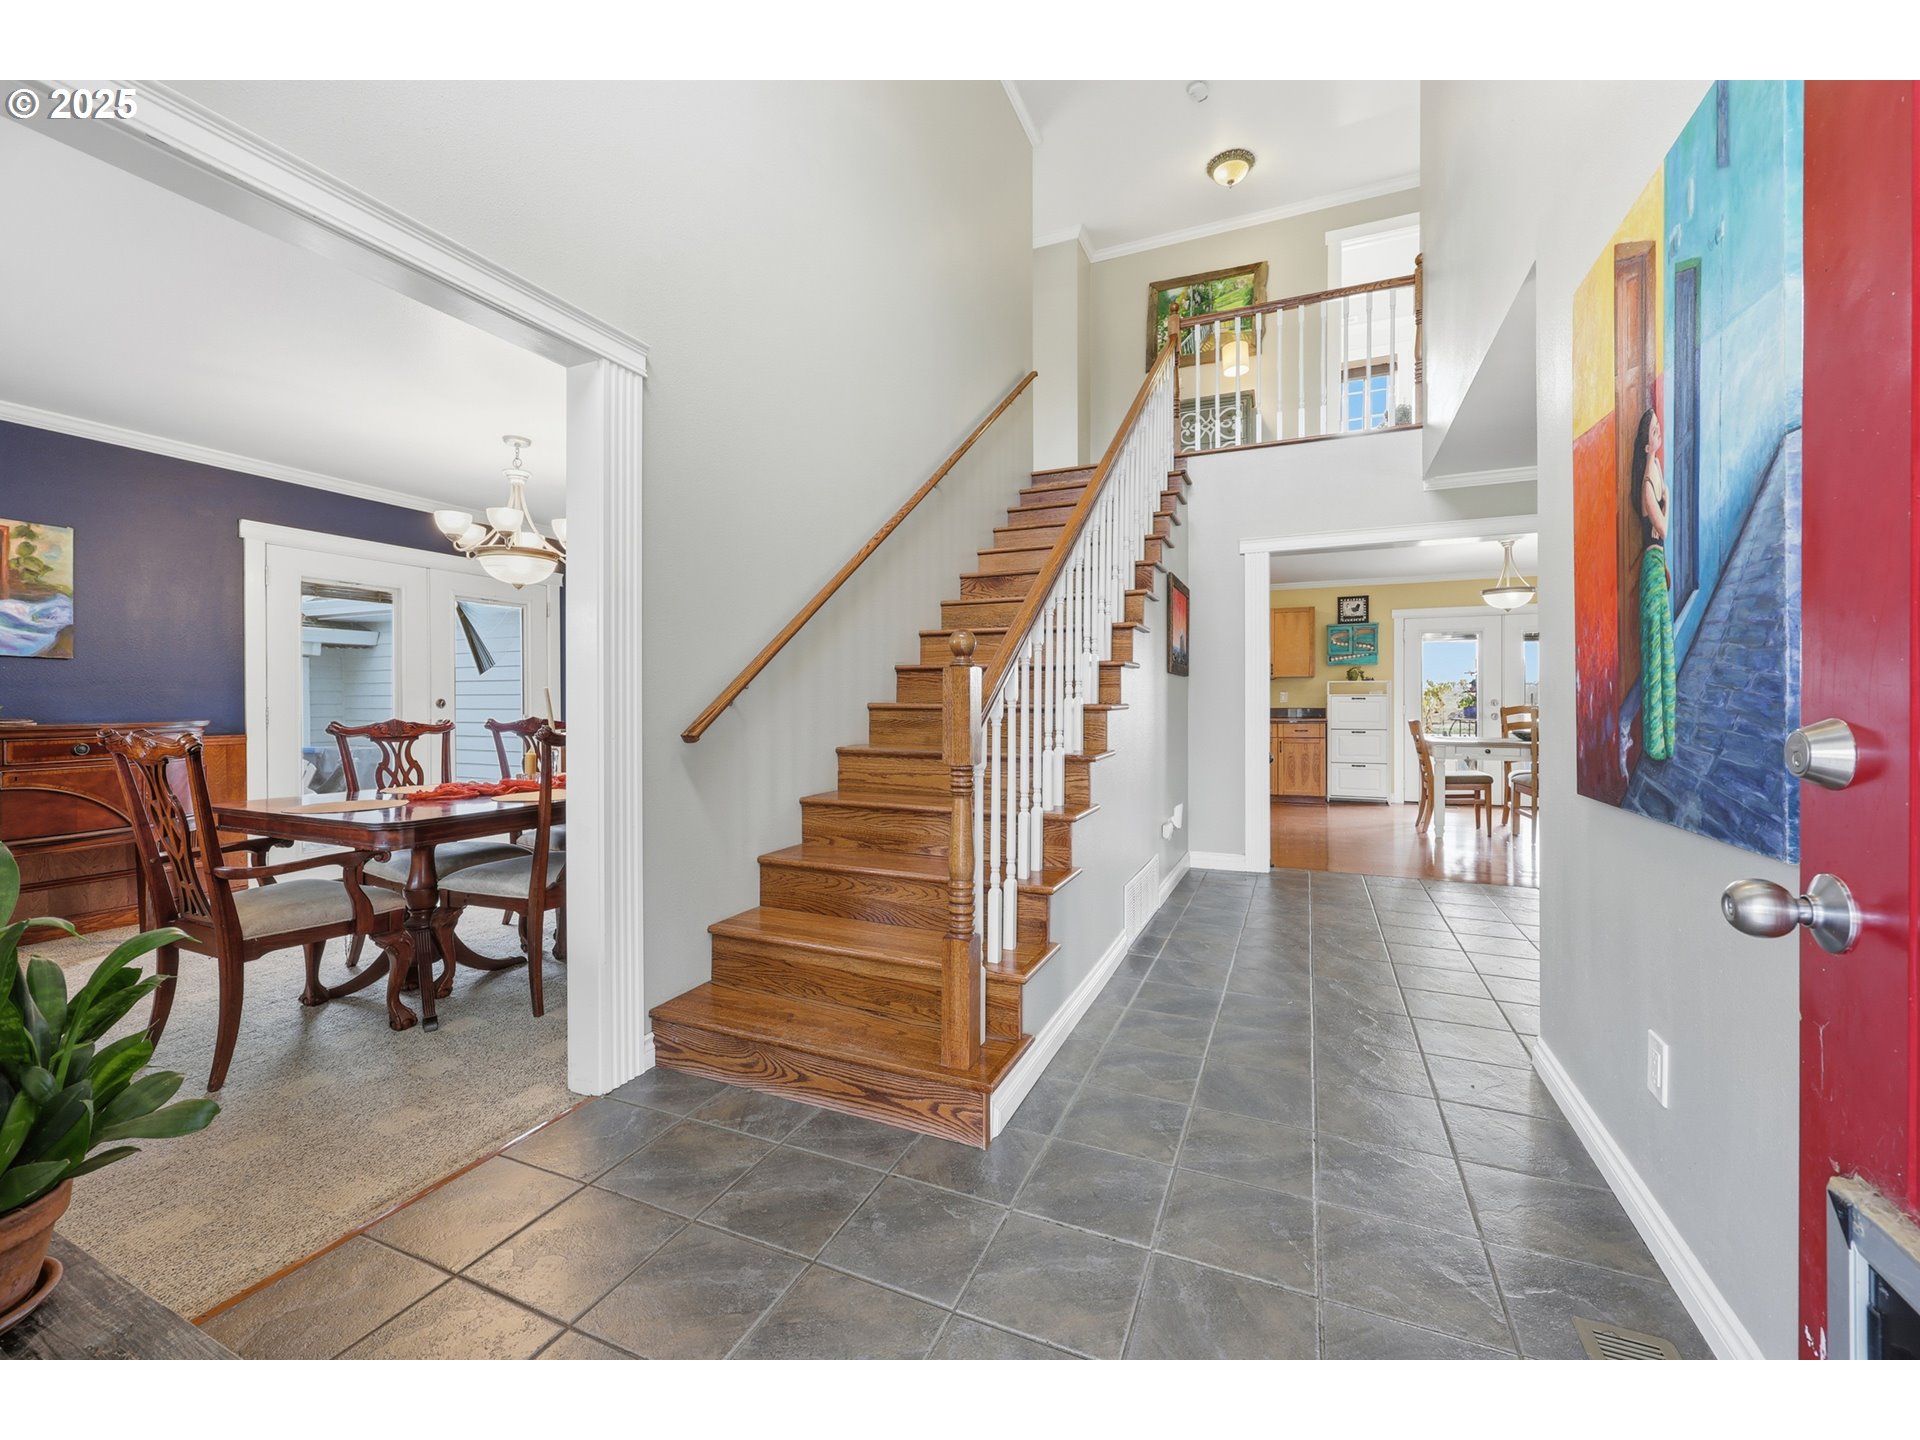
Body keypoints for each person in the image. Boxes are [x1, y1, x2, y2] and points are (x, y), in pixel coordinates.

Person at [1634, 406, 1677, 761]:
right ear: (1646, 438)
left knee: (1664, 644)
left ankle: (1667, 734)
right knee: (1655, 647)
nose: (1659, 433)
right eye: (1654, 430)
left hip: (1658, 561)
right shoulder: (1646, 479)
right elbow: (1661, 528)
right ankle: (1655, 739)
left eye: (1659, 428)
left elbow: (1664, 527)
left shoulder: (1657, 471)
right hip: (1650, 562)